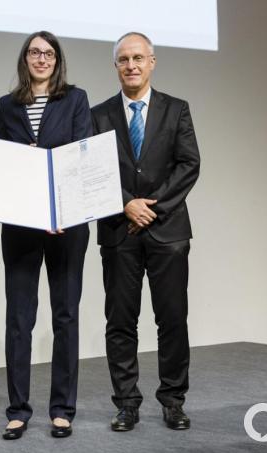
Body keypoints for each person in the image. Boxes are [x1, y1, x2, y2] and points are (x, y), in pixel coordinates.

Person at [90, 32, 201, 432]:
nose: (131, 65)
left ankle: (173, 400)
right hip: (118, 231)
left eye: (138, 58)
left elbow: (189, 165)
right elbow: (92, 170)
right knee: (121, 322)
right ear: (115, 66)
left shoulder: (177, 109)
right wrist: (126, 204)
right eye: (124, 59)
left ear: (152, 62)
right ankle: (126, 403)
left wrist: (151, 209)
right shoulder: (98, 115)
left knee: (172, 320)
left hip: (168, 232)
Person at [0, 30, 93, 440]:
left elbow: (81, 154)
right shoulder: (7, 105)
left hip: (66, 225)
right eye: (34, 52)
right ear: (25, 59)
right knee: (19, 319)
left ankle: (62, 409)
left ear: (57, 60)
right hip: (21, 226)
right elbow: (2, 163)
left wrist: (61, 209)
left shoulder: (75, 99)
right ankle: (18, 410)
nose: (41, 59)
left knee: (65, 316)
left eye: (48, 53)